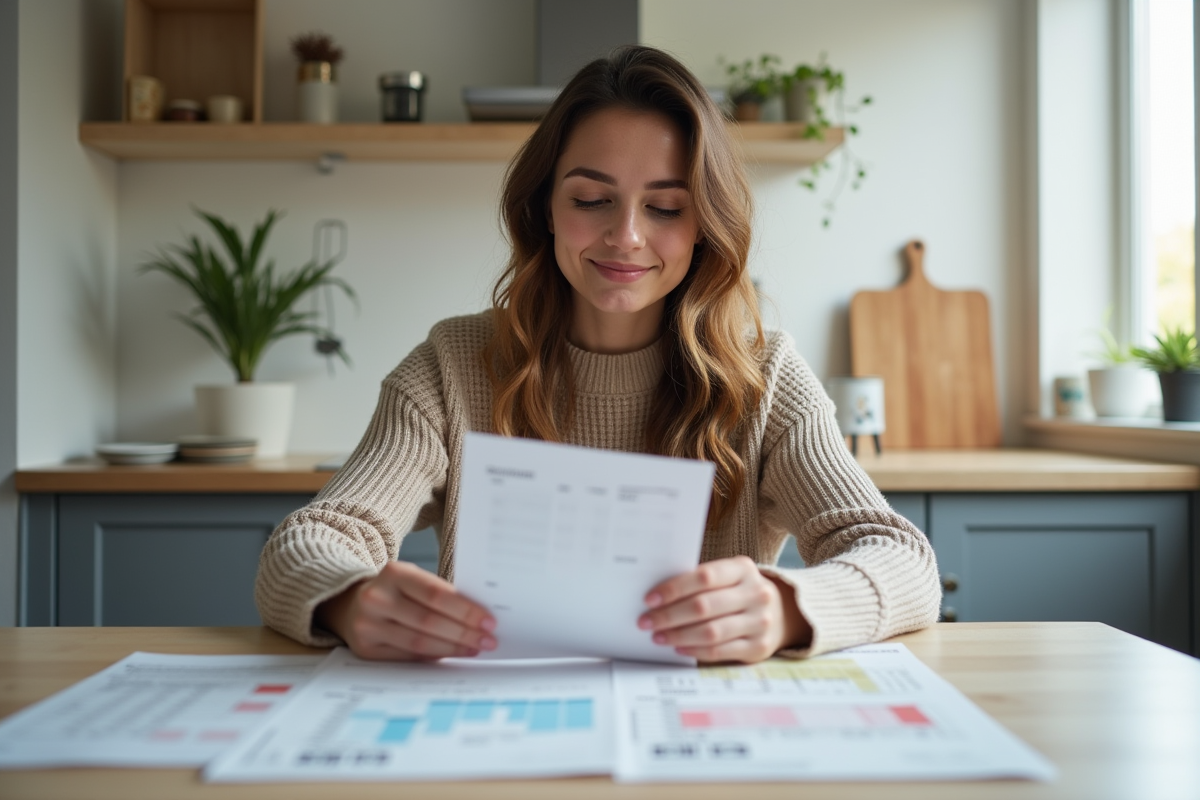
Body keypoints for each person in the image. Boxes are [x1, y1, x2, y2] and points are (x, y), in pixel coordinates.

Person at [255, 45, 941, 664]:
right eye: (591, 199)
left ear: (704, 227)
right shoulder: (451, 366)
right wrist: (348, 599)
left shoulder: (766, 379)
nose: (626, 236)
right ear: (545, 207)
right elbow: (308, 541)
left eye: (666, 208)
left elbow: (902, 559)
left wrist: (787, 607)